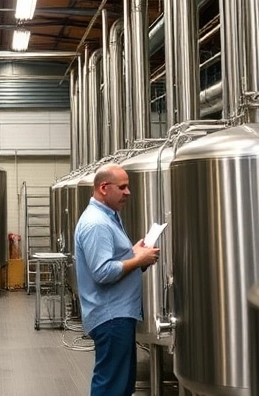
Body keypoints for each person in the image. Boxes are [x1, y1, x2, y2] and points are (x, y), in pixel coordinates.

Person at [74, 163, 160, 396]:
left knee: (121, 385)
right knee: (111, 386)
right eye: (122, 187)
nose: (127, 193)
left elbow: (112, 260)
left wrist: (133, 253)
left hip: (118, 314)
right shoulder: (97, 223)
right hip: (111, 316)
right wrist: (138, 260)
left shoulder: (108, 217)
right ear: (104, 187)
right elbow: (103, 272)